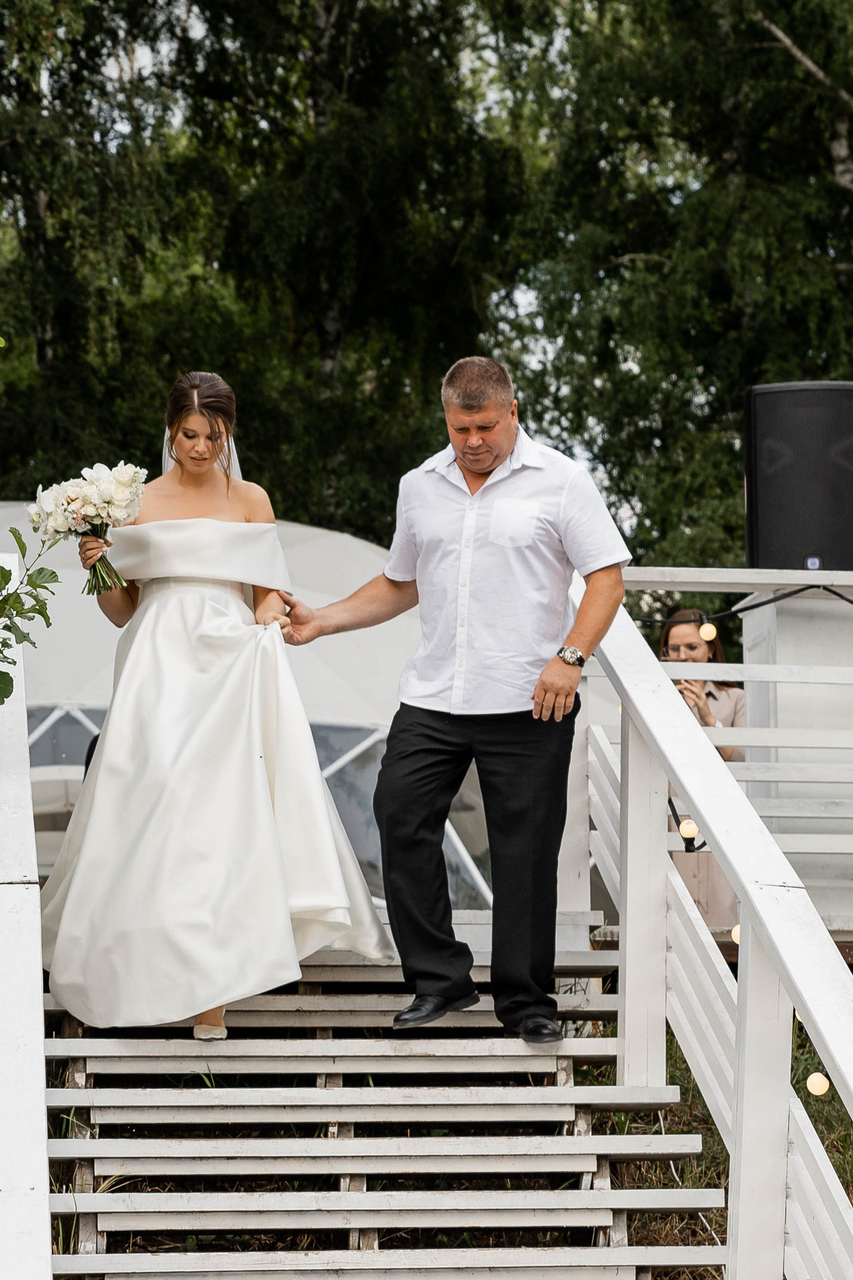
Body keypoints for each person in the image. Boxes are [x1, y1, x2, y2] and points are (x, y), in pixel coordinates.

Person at [285, 357, 631, 1043]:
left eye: (484, 426)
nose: (471, 440)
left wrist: (571, 657)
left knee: (524, 851)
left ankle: (527, 1001)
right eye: (458, 426)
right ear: (445, 418)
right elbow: (400, 582)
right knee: (398, 810)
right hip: (436, 694)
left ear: (512, 414)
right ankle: (440, 981)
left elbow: (606, 580)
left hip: (532, 698)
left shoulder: (561, 481)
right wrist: (322, 618)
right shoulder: (421, 484)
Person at [40, 371, 395, 1037]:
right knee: (153, 804)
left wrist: (265, 625)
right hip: (157, 662)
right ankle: (142, 966)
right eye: (189, 434)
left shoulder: (252, 499)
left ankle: (213, 995)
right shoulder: (136, 501)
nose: (201, 447)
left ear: (229, 433)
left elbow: (263, 591)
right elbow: (125, 611)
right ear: (171, 429)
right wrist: (98, 566)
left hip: (228, 660)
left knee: (218, 819)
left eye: (213, 435)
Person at [661, 609, 743, 935]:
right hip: (671, 817)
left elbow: (737, 756)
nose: (684, 656)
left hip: (718, 817)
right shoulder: (655, 698)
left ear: (709, 649)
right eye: (675, 649)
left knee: (722, 915)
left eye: (692, 647)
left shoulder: (734, 698)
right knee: (672, 919)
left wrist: (707, 715)